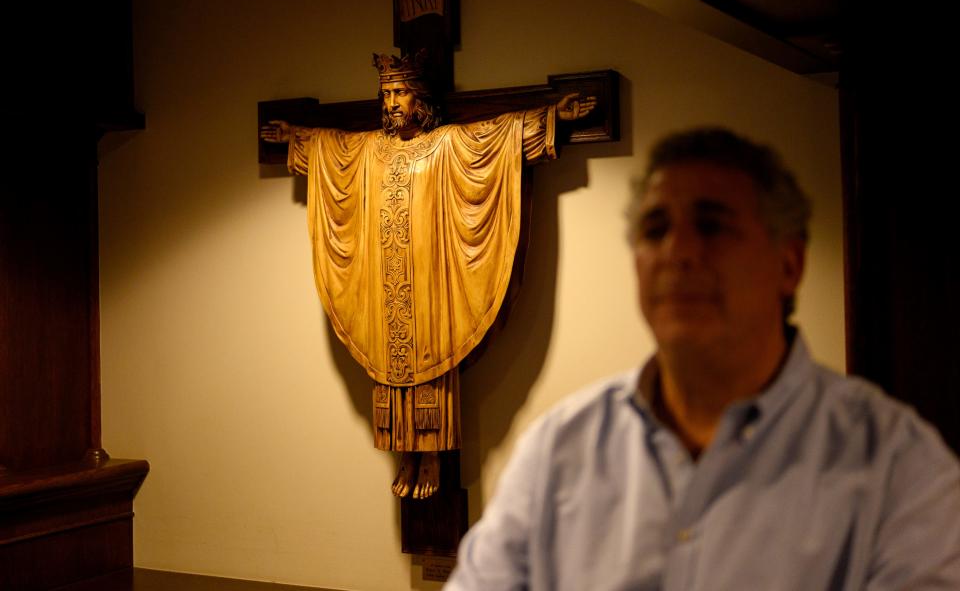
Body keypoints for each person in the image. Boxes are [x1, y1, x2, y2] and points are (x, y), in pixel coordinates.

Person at [445, 128, 960, 590]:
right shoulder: (556, 451)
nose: (679, 251)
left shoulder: (898, 465)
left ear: (789, 264)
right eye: (655, 229)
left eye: (712, 226)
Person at [260, 52, 596, 499]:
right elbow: (334, 148)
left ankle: (432, 455)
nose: (392, 102)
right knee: (388, 353)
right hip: (382, 280)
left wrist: (552, 115)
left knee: (432, 350)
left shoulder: (446, 145)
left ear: (419, 99)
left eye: (400, 93)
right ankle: (404, 453)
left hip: (430, 281)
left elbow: (494, 139)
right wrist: (296, 137)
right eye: (387, 94)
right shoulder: (370, 150)